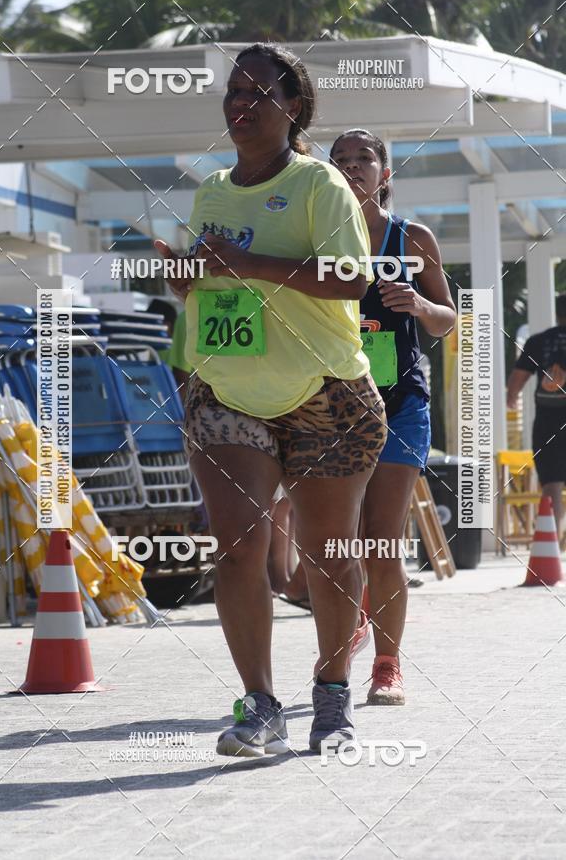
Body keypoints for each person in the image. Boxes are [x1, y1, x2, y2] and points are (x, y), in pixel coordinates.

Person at [155, 44, 386, 757]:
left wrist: (252, 264)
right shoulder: (213, 190)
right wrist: (187, 280)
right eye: (234, 90)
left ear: (293, 108)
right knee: (237, 550)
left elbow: (353, 279)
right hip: (230, 392)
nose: (241, 104)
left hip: (325, 393)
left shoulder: (321, 184)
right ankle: (259, 706)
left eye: (259, 92)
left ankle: (331, 695)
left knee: (327, 555)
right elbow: (213, 283)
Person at [327, 128, 456, 704]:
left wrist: (419, 303)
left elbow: (447, 318)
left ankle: (386, 665)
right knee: (338, 544)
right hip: (329, 406)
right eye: (341, 160)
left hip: (401, 404)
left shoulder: (413, 237)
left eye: (364, 158)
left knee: (381, 542)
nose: (353, 167)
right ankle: (350, 632)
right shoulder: (315, 235)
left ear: (385, 174)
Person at [507, 293, 566, 543]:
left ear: (557, 313)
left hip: (548, 420)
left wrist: (512, 397)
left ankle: (553, 542)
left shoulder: (538, 341)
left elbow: (517, 381)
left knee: (552, 483)